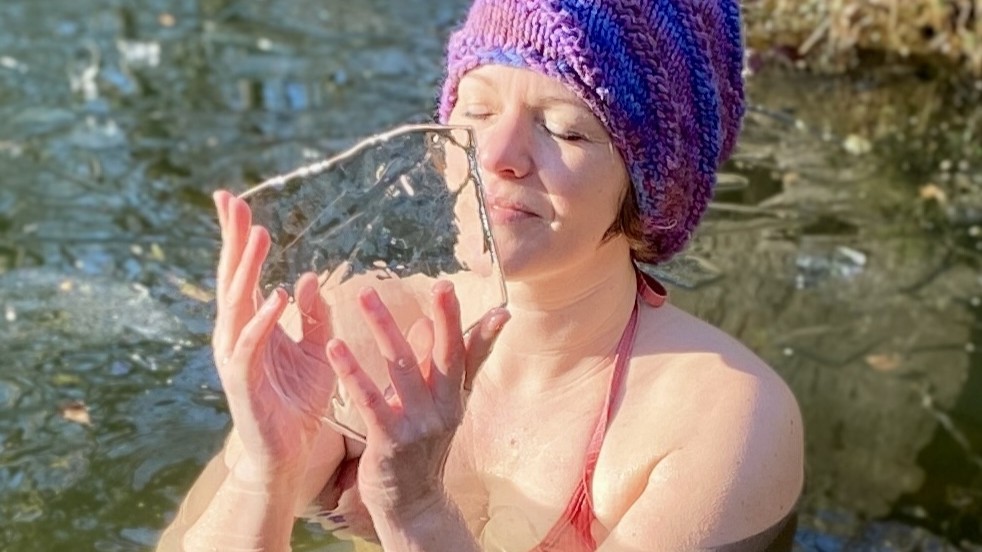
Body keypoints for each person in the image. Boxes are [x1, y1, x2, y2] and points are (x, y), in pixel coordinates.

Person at [157, 0, 804, 550]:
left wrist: (415, 510)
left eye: (564, 130)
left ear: (651, 186)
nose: (496, 157)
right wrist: (265, 472)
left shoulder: (718, 422)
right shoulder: (352, 334)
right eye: (476, 112)